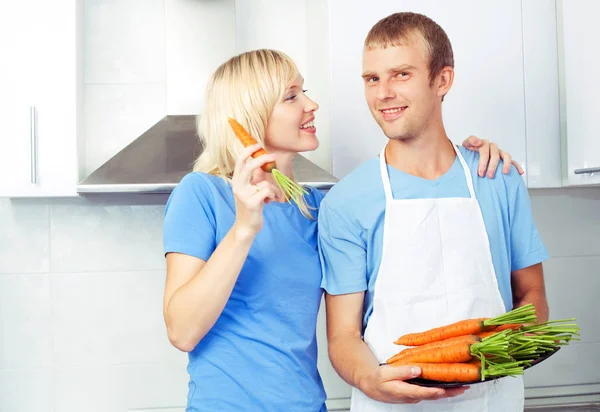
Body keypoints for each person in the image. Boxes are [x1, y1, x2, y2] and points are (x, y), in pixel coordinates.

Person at [162, 48, 522, 411]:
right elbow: (182, 331)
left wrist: (473, 156)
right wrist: (244, 228)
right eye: (291, 96)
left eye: (305, 91)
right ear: (251, 115)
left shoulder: (317, 207)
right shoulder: (202, 193)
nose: (311, 104)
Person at [318, 12, 550, 412]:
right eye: (372, 79)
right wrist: (372, 381)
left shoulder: (496, 178)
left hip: (492, 401)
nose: (383, 93)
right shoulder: (346, 200)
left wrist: (502, 354)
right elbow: (342, 335)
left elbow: (530, 294)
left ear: (442, 80)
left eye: (401, 74)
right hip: (388, 405)